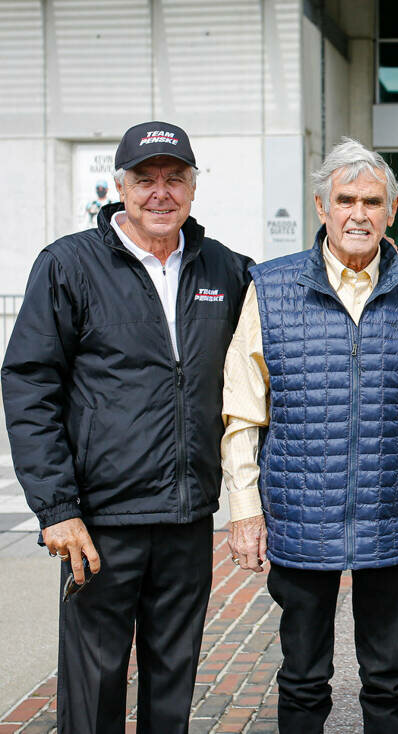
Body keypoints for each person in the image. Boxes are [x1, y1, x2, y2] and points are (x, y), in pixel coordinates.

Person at [221, 138, 398, 733]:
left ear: (391, 211)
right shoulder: (270, 289)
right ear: (321, 206)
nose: (358, 214)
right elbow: (243, 411)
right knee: (302, 676)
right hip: (301, 517)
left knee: (387, 676)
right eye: (344, 199)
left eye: (372, 201)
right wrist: (246, 511)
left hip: (386, 514)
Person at [1, 121, 253, 734]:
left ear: (195, 186)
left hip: (188, 516)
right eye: (145, 180)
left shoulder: (227, 269)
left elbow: (263, 373)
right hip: (100, 522)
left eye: (176, 178)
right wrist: (57, 508)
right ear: (121, 186)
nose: (160, 193)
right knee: (93, 684)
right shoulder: (69, 265)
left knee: (174, 681)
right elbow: (30, 385)